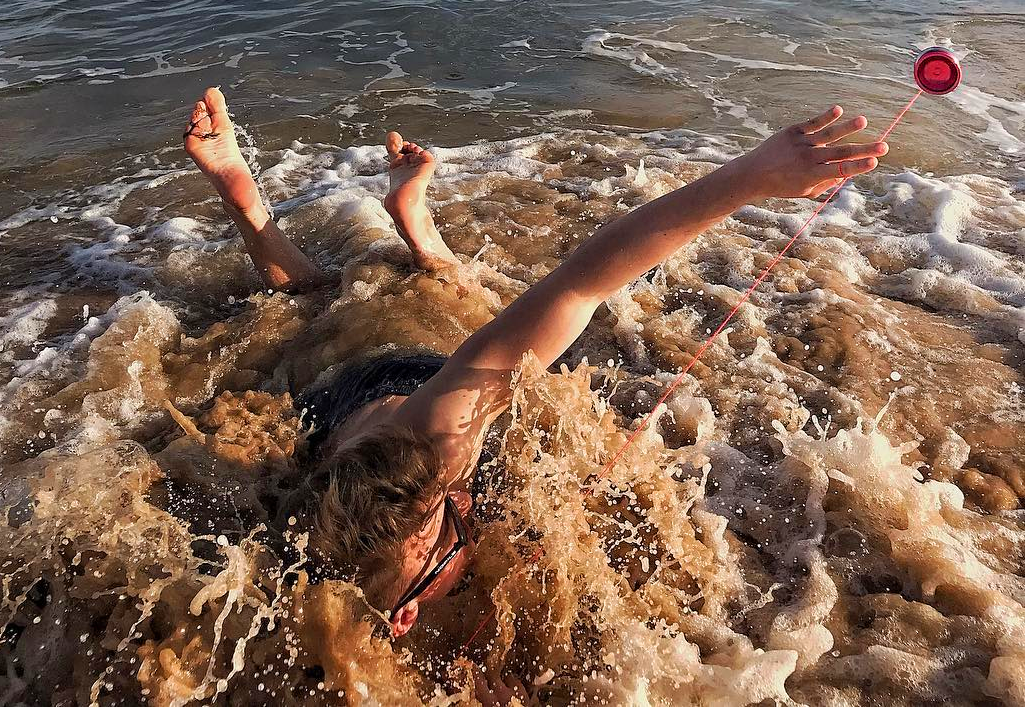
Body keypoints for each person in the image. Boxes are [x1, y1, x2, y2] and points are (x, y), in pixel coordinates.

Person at [183, 87, 889, 637]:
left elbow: (581, 284)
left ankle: (378, 222)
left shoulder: (443, 436)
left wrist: (750, 178)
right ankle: (385, 222)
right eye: (436, 535)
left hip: (382, 390)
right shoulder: (305, 578)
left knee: (337, 311)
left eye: (439, 523)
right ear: (402, 618)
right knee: (334, 309)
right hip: (358, 441)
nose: (451, 518)